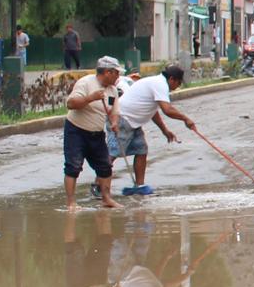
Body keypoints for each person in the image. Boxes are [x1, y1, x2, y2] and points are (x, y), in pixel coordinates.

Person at [112, 63, 196, 195]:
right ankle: (98, 185)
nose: (177, 87)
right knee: (113, 152)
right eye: (178, 83)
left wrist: (164, 130)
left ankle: (139, 186)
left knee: (141, 150)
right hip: (122, 118)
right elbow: (167, 110)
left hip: (134, 122)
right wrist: (186, 119)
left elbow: (153, 111)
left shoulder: (158, 84)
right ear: (172, 79)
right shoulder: (160, 84)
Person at [63, 56, 122, 209]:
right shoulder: (86, 82)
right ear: (108, 72)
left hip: (96, 133)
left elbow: (114, 111)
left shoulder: (113, 90)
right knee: (73, 166)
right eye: (116, 73)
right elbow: (70, 104)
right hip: (76, 131)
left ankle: (106, 198)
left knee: (105, 167)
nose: (118, 76)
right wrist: (90, 98)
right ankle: (71, 202)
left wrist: (114, 123)